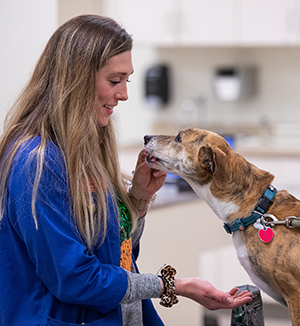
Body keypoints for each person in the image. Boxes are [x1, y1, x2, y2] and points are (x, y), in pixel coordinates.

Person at [0, 15, 252, 326]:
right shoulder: (36, 162)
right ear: (76, 79)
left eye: (127, 80)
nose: (124, 95)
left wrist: (139, 199)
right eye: (115, 81)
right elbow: (77, 279)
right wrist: (171, 285)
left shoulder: (89, 144)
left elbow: (116, 251)